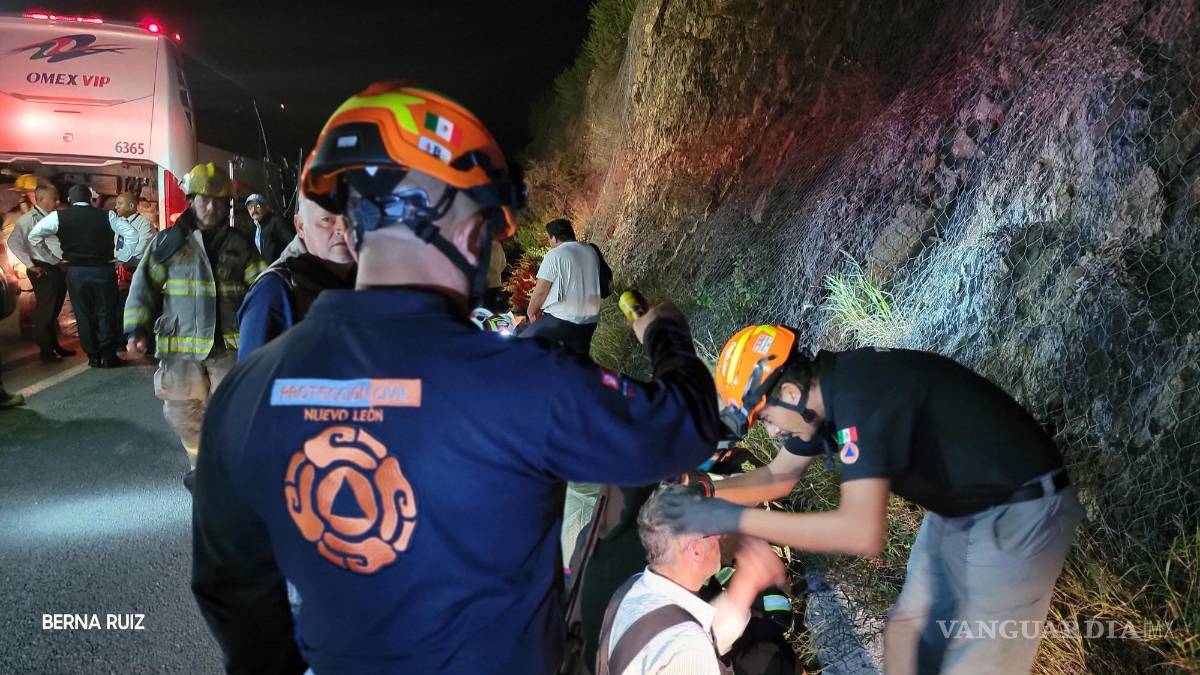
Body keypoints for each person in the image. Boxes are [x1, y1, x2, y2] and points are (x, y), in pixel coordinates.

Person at [190, 82, 723, 675]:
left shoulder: (249, 388)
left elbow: (228, 586)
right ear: (464, 229)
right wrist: (665, 333)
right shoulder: (523, 381)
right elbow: (684, 426)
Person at [662, 326, 1083, 674]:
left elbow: (861, 532)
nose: (771, 432)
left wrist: (734, 520)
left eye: (766, 418)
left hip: (1019, 512)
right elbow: (778, 476)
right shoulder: (826, 400)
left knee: (975, 660)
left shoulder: (859, 396)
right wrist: (704, 491)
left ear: (788, 393)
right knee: (904, 633)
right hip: (960, 510)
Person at [123, 164, 264, 469]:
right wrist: (136, 329)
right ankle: (199, 467)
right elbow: (143, 286)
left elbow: (263, 286)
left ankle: (225, 468)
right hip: (180, 348)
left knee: (231, 412)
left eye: (219, 202)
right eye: (205, 200)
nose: (212, 208)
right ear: (191, 200)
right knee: (182, 413)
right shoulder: (168, 243)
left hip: (228, 348)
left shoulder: (240, 245)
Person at [596, 484, 785, 675]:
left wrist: (745, 586)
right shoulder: (689, 648)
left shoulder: (632, 587)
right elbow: (688, 644)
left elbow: (683, 631)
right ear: (696, 551)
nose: (720, 535)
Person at [28, 184, 137, 368]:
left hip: (76, 272)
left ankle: (93, 356)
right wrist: (122, 257)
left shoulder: (58, 217)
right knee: (106, 312)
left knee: (83, 313)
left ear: (70, 200)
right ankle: (109, 356)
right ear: (90, 199)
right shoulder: (107, 215)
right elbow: (131, 233)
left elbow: (33, 236)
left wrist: (53, 257)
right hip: (103, 270)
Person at [236, 194, 357, 359]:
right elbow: (253, 374)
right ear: (300, 227)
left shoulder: (374, 278)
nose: (342, 228)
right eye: (327, 220)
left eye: (353, 217)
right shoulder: (272, 294)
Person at [7, 185, 74, 363]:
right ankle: (46, 351)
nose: (57, 201)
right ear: (42, 199)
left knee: (54, 309)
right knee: (46, 310)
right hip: (41, 268)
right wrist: (30, 265)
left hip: (54, 266)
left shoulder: (50, 217)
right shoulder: (28, 219)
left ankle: (54, 345)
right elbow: (13, 242)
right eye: (54, 198)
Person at [522, 218, 602, 355]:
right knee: (575, 360)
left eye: (549, 238)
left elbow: (541, 291)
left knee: (520, 344)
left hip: (562, 320)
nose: (549, 242)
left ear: (554, 238)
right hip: (590, 321)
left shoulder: (554, 254)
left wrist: (531, 312)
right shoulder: (591, 251)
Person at [244, 193, 293, 264]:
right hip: (266, 269)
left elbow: (292, 243)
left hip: (280, 268)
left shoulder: (276, 222)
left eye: (257, 206)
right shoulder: (254, 229)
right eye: (250, 207)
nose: (254, 210)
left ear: (266, 207)